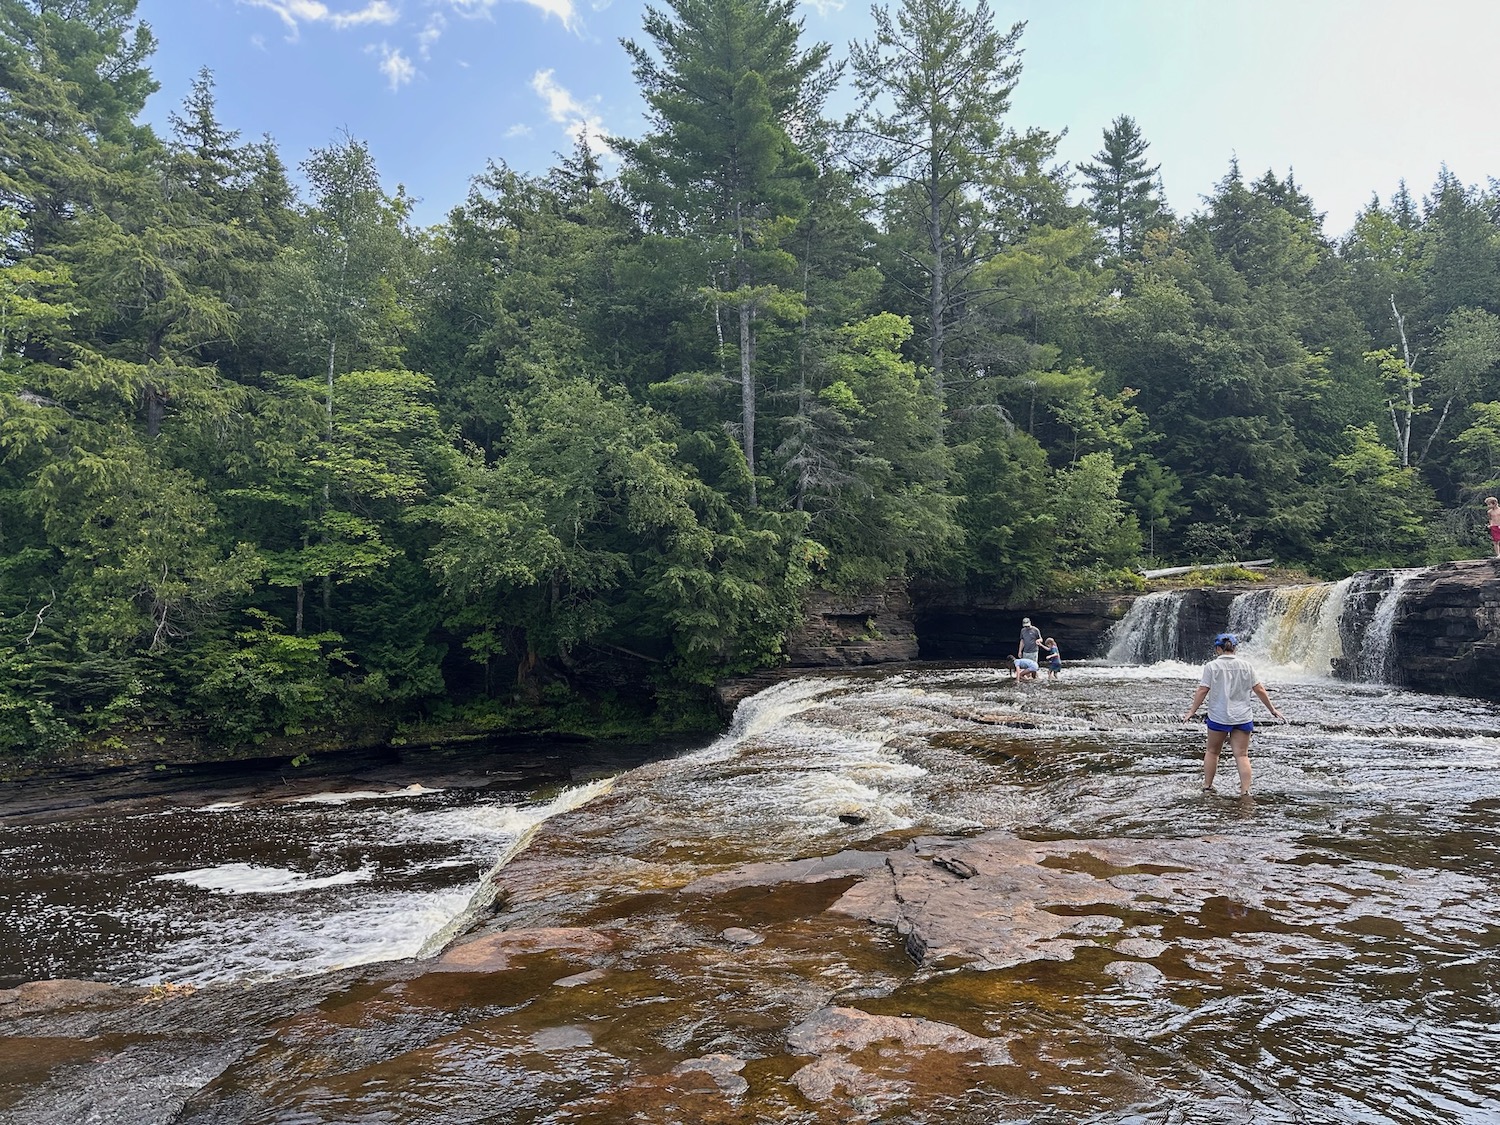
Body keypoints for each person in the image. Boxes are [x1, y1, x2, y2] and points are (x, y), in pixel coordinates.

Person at [1182, 632, 1283, 796]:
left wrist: (1192, 711)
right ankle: (1245, 791)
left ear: (1217, 649)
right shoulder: (1246, 666)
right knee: (1242, 755)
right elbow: (1259, 689)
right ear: (1235, 648)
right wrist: (1272, 709)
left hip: (1218, 716)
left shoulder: (1212, 666)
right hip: (1242, 716)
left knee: (1212, 752)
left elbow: (1202, 690)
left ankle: (1207, 786)